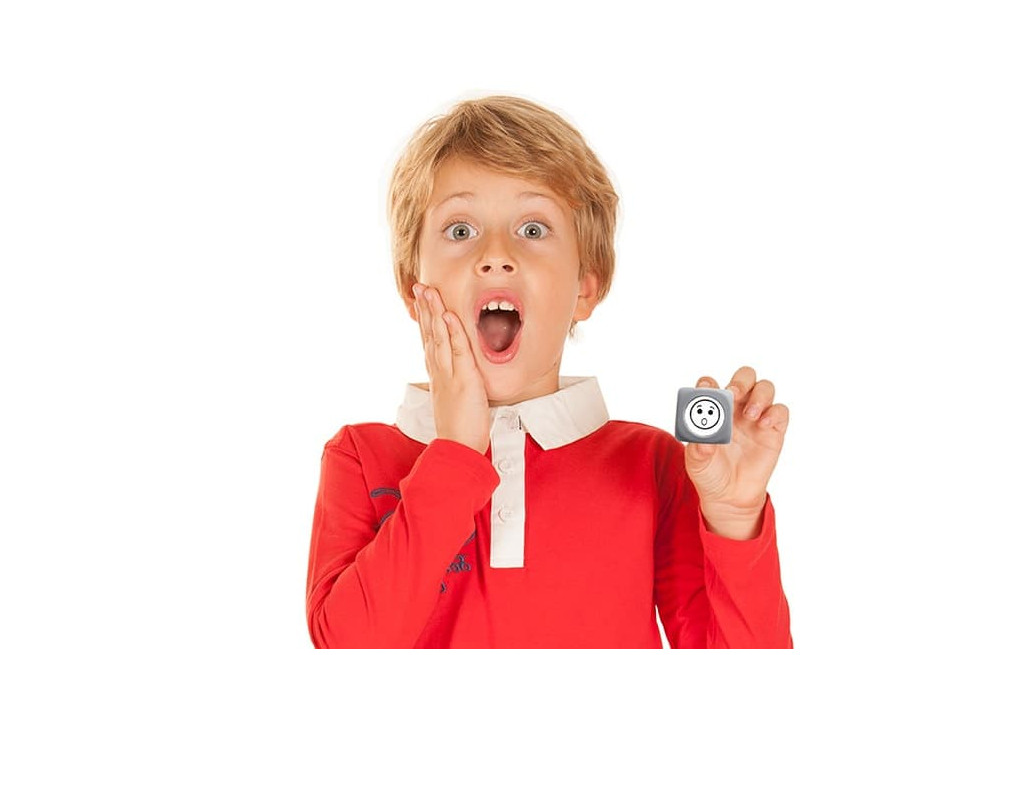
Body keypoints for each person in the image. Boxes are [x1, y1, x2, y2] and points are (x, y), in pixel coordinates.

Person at [306, 95, 793, 648]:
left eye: (533, 230)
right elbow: (345, 651)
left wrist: (734, 518)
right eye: (460, 231)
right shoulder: (358, 458)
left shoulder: (654, 465)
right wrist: (455, 456)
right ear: (411, 289)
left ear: (585, 288)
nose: (495, 255)